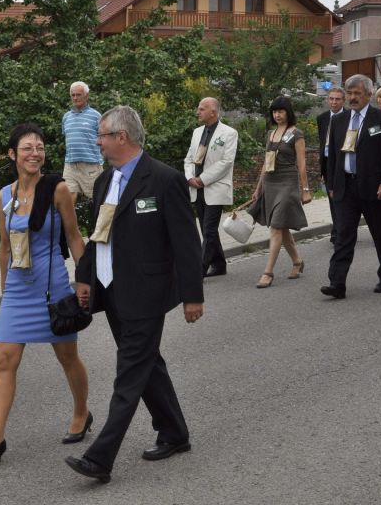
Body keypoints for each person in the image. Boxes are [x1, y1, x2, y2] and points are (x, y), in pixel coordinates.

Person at [65, 106, 203, 484]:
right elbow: (97, 235)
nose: (98, 142)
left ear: (121, 137)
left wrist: (193, 295)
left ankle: (100, 458)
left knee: (128, 373)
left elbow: (187, 243)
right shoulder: (104, 180)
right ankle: (174, 433)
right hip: (111, 290)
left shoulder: (164, 179)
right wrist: (84, 277)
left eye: (102, 135)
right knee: (147, 364)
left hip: (146, 293)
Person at [0, 124, 89, 464]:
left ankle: (81, 412)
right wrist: (5, 289)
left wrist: (84, 280)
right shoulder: (3, 196)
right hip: (18, 289)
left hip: (53, 287)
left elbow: (74, 237)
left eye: (39, 148)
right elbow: (5, 247)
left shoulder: (57, 189)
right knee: (5, 359)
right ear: (12, 155)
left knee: (67, 357)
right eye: (27, 148)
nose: (35, 153)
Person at [321, 74, 381, 299]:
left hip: (374, 187)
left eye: (357, 93)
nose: (352, 97)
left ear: (369, 94)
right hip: (346, 186)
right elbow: (333, 155)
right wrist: (332, 183)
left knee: (380, 234)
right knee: (343, 235)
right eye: (350, 93)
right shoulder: (339, 120)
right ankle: (337, 283)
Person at [252, 96, 311, 288]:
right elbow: (266, 162)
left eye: (281, 111)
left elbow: (302, 164)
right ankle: (297, 261)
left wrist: (305, 189)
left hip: (287, 183)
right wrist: (258, 188)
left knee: (276, 227)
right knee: (282, 227)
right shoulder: (270, 133)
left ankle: (268, 272)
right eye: (275, 111)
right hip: (270, 184)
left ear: (288, 112)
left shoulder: (297, 134)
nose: (277, 115)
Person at [184, 97, 238, 277]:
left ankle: (198, 270)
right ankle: (219, 264)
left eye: (201, 109)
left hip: (215, 187)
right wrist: (190, 177)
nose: (197, 112)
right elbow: (189, 159)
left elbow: (227, 162)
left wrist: (203, 179)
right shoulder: (197, 132)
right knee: (207, 229)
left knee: (208, 229)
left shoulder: (229, 133)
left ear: (213, 112)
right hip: (196, 187)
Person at [61, 81, 103, 205]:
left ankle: (102, 220)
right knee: (67, 200)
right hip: (70, 165)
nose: (75, 98)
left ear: (86, 95)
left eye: (78, 94)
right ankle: (69, 220)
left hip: (91, 165)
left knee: (99, 199)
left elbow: (104, 139)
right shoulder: (66, 117)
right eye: (73, 95)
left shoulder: (96, 116)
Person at [317, 88, 348, 245]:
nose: (334, 102)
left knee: (344, 200)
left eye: (337, 99)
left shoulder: (349, 116)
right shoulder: (322, 118)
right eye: (331, 99)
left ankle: (340, 231)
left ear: (343, 101)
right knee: (332, 198)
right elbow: (322, 142)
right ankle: (338, 230)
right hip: (328, 162)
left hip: (343, 163)